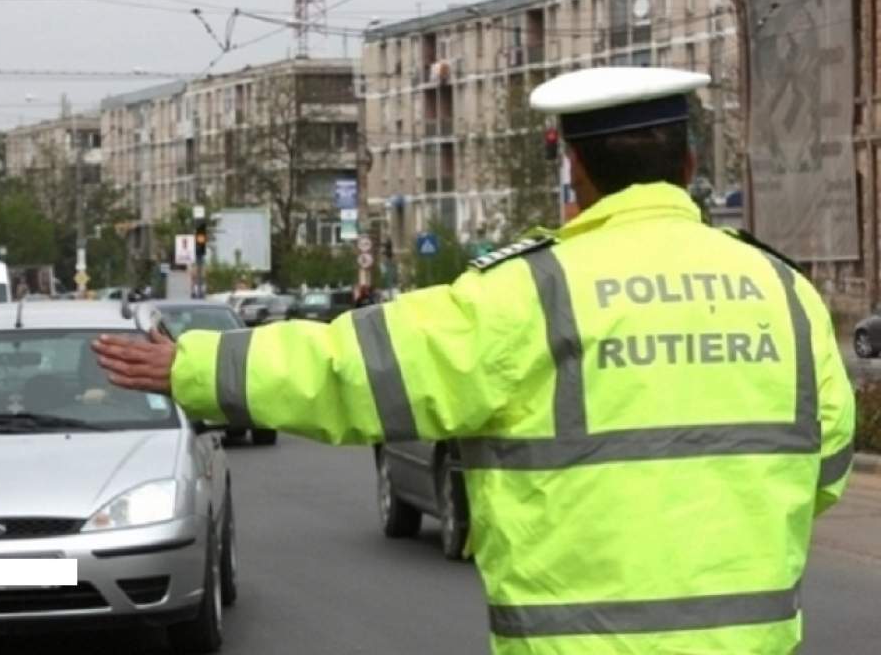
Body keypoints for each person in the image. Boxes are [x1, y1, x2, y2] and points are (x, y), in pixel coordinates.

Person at [93, 67, 855, 654]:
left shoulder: (530, 292)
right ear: (690, 162)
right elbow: (823, 468)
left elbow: (355, 369)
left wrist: (196, 366)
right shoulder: (784, 292)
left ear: (575, 172)